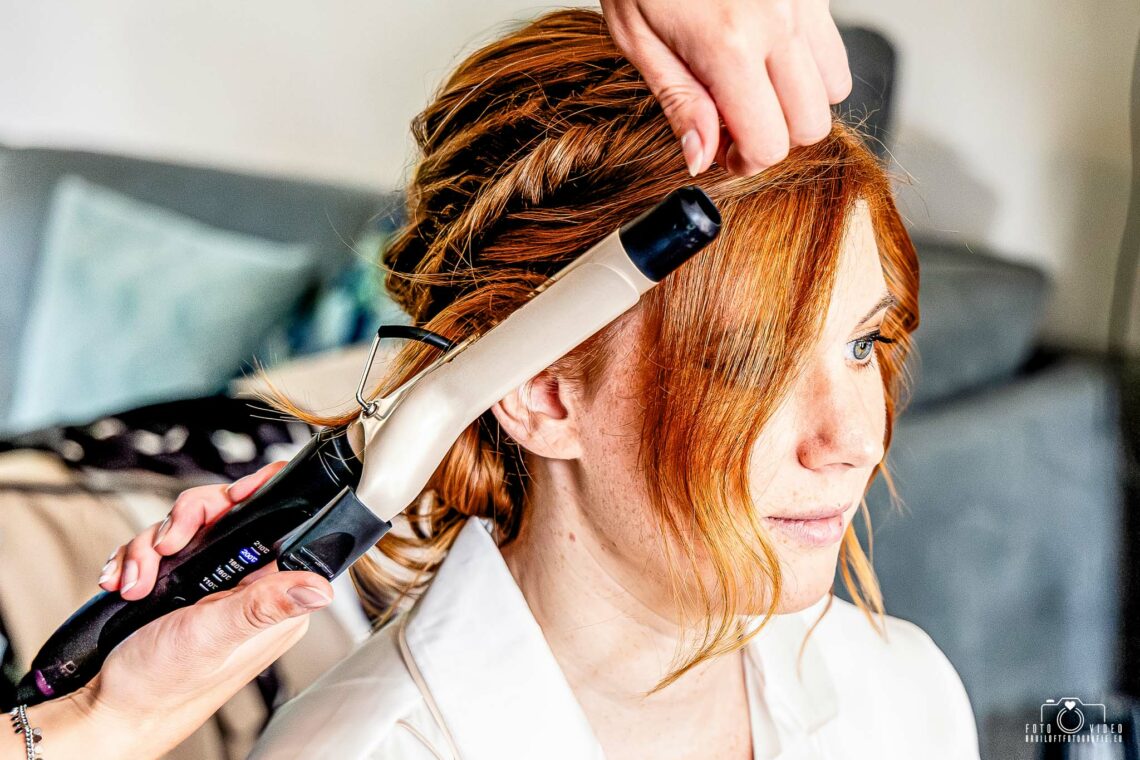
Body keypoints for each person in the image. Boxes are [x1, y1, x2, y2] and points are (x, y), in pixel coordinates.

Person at [0, 3, 878, 758]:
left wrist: (110, 715)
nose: (854, 441)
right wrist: (94, 721)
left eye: (864, 345)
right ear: (542, 391)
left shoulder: (898, 689)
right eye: (752, 364)